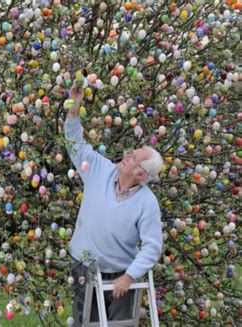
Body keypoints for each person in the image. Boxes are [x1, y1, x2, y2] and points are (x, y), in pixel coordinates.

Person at [64, 84, 164, 326]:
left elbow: (152, 246)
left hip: (120, 275)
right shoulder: (101, 170)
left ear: (141, 174)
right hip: (85, 267)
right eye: (131, 153)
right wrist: (74, 110)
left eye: (134, 158)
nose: (127, 155)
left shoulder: (147, 203)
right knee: (86, 323)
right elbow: (75, 147)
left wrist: (130, 276)